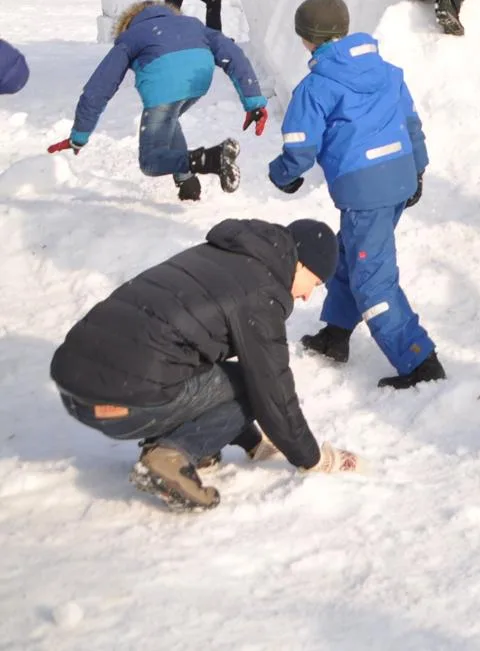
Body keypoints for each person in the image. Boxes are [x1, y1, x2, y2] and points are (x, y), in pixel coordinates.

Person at [50, 217, 359, 511]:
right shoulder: (262, 293)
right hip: (124, 403)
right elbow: (271, 390)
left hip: (76, 393)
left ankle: (181, 446)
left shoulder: (225, 254)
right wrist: (312, 458)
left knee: (200, 367)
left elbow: (194, 360)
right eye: (315, 283)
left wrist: (251, 441)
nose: (307, 296)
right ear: (301, 263)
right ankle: (170, 455)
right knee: (253, 383)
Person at [270, 0, 443, 390]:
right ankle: (335, 334)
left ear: (306, 39)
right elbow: (411, 124)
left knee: (372, 279)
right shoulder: (387, 72)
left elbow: (299, 145)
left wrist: (283, 175)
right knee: (348, 254)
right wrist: (418, 169)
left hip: (365, 191)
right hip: (398, 179)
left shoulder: (316, 86)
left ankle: (420, 362)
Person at [56, 0, 262, 202]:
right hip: (198, 82)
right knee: (169, 119)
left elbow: (99, 88)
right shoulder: (193, 24)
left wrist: (79, 135)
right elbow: (234, 56)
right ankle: (186, 180)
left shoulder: (131, 36)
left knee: (151, 161)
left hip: (164, 87)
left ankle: (211, 159)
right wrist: (254, 102)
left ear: (128, 21)